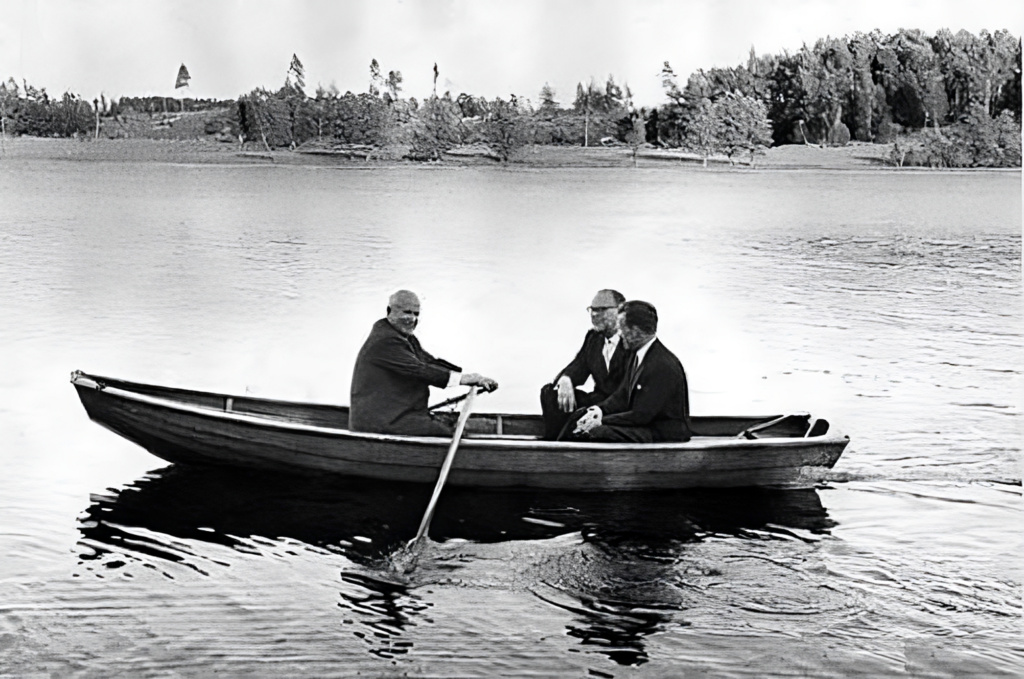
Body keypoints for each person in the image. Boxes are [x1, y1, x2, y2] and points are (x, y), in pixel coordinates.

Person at [349, 290, 498, 436]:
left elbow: (429, 362)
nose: (412, 319)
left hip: (403, 414)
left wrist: (473, 378)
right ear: (389, 311)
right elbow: (420, 370)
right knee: (451, 433)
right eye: (407, 312)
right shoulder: (385, 341)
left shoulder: (404, 336)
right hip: (382, 422)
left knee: (455, 424)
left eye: (416, 314)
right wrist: (464, 379)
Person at [559, 300, 691, 443]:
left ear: (636, 330)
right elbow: (621, 396)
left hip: (662, 433)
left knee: (597, 432)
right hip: (645, 426)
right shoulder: (638, 356)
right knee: (581, 417)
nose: (620, 334)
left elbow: (642, 415)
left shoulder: (662, 365)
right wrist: (597, 411)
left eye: (621, 328)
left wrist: (600, 421)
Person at [539, 289, 629, 440]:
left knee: (582, 414)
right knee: (549, 393)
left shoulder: (632, 340)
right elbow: (578, 366)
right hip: (598, 401)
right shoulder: (593, 338)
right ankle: (553, 446)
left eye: (601, 309)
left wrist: (600, 410)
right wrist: (566, 379)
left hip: (622, 409)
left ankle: (562, 445)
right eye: (592, 309)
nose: (594, 314)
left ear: (620, 310)